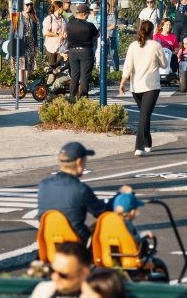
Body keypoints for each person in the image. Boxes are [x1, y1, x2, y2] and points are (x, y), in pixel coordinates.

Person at [37, 141, 113, 244]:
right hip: (79, 247)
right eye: (85, 161)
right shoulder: (81, 189)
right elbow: (103, 212)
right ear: (79, 162)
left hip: (50, 245)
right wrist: (119, 198)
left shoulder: (43, 185)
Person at [120, 20, 167, 155]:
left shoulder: (133, 46)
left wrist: (123, 82)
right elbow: (164, 64)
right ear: (152, 32)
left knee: (144, 115)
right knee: (144, 115)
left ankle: (147, 142)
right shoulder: (156, 45)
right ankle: (139, 146)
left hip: (136, 87)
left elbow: (128, 66)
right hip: (152, 86)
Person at [66, 3, 99, 100]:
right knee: (84, 76)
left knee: (74, 75)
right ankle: (83, 98)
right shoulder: (89, 25)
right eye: (88, 13)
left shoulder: (69, 24)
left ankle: (72, 97)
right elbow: (97, 35)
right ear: (85, 13)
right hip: (85, 51)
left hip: (72, 52)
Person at [11, 0, 38, 88]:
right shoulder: (16, 16)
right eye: (27, 5)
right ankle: (19, 85)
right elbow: (12, 31)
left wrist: (36, 45)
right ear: (22, 5)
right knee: (20, 64)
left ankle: (25, 86)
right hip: (20, 42)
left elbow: (35, 33)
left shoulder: (32, 17)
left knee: (27, 65)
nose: (29, 7)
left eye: (30, 5)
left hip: (30, 43)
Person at [43, 0, 68, 66]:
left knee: (60, 67)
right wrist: (57, 34)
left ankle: (59, 76)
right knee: (53, 67)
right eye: (62, 7)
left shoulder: (64, 18)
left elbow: (66, 28)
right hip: (52, 46)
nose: (63, 9)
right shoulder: (49, 18)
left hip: (62, 46)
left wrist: (66, 33)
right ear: (59, 8)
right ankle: (52, 75)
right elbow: (45, 32)